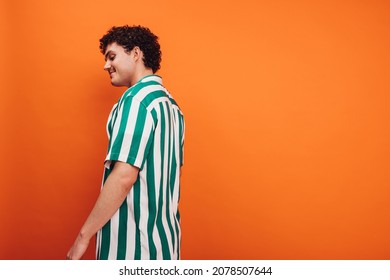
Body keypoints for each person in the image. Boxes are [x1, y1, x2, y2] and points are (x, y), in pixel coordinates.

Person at [67, 25, 185, 260]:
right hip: (165, 246)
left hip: (132, 249)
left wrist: (83, 237)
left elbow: (123, 176)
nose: (105, 65)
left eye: (112, 56)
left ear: (135, 53)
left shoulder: (136, 101)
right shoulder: (172, 107)